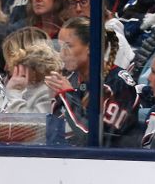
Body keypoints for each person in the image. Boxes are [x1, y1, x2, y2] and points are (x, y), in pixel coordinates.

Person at [45, 17, 141, 147]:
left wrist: (68, 96)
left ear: (91, 47)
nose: (61, 55)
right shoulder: (71, 80)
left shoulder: (118, 83)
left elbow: (96, 139)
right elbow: (54, 134)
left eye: (68, 46)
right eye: (61, 47)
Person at [65, 0, 134, 70]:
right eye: (72, 2)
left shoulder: (113, 40)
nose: (78, 9)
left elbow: (110, 81)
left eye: (84, 2)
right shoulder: (70, 37)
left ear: (98, 3)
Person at [2, 33, 63, 114]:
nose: (6, 68)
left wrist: (13, 93)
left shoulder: (47, 91)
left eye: (16, 66)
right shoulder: (25, 89)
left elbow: (30, 122)